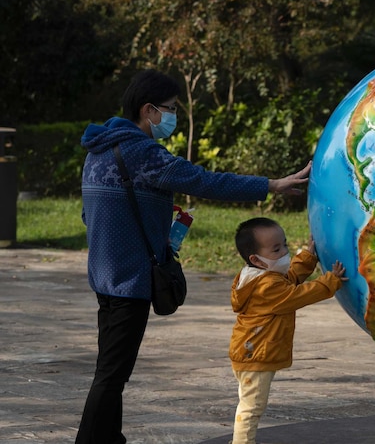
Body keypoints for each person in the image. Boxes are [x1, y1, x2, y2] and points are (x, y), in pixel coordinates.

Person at [76, 69, 313, 444]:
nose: (172, 118)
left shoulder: (99, 148)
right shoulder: (144, 152)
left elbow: (91, 215)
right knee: (111, 374)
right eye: (169, 109)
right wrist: (272, 185)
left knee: (111, 370)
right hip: (130, 280)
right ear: (148, 110)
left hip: (104, 276)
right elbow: (206, 181)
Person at [230, 217, 346, 443]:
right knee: (251, 407)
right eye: (276, 249)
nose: (284, 251)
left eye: (285, 244)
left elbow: (289, 279)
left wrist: (308, 257)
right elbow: (297, 295)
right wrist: (329, 282)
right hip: (256, 355)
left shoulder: (262, 276)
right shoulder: (266, 287)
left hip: (251, 352)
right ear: (256, 259)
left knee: (249, 403)